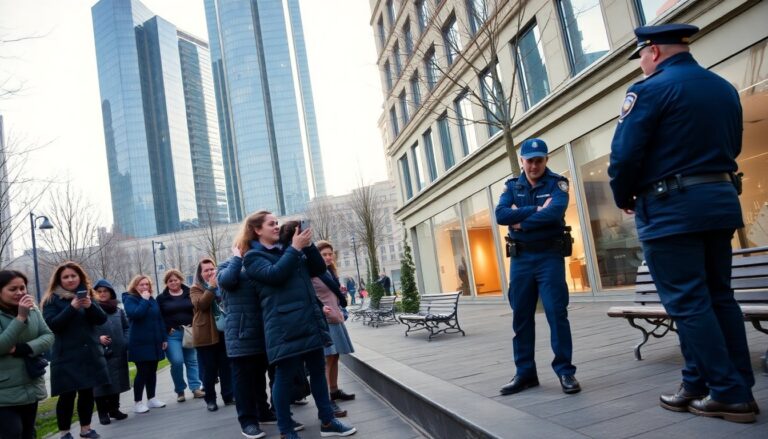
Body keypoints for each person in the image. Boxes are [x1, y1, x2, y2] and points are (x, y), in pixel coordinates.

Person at [608, 23, 756, 423]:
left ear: (653, 51)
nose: (639, 63)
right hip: (719, 202)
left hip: (672, 209)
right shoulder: (722, 87)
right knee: (718, 297)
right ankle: (701, 382)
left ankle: (728, 393)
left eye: (639, 55)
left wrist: (624, 197)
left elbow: (624, 156)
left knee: (688, 302)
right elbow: (734, 145)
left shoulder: (651, 89)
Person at [242, 211, 356, 439]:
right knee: (284, 378)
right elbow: (275, 275)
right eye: (271, 224)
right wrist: (295, 248)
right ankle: (286, 430)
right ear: (257, 230)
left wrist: (308, 243)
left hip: (309, 320)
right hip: (283, 326)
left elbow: (317, 269)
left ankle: (327, 421)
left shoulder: (290, 249)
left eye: (277, 223)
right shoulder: (253, 257)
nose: (276, 227)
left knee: (317, 371)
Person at [494, 138, 580, 397]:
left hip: (549, 256)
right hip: (521, 260)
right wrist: (533, 210)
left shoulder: (557, 184)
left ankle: (565, 371)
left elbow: (554, 213)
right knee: (521, 316)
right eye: (529, 160)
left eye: (539, 160)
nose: (534, 165)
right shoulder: (512, 186)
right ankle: (525, 373)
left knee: (557, 314)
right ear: (522, 161)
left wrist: (521, 221)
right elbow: (500, 215)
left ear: (546, 159)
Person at [218, 241, 292, 439]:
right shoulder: (226, 266)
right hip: (241, 334)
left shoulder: (260, 262)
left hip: (266, 330)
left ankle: (266, 412)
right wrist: (236, 258)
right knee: (244, 381)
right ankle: (248, 422)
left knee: (264, 376)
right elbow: (227, 281)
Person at [42, 261, 110, 439]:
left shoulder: (88, 295)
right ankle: (64, 432)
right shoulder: (51, 300)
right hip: (66, 355)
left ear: (80, 276)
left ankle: (86, 429)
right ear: (59, 280)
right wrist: (72, 308)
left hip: (89, 354)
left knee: (87, 393)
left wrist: (89, 306)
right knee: (67, 396)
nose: (70, 279)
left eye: (73, 275)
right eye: (66, 277)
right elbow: (53, 325)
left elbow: (101, 320)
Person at [0, 270, 54, 439]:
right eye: (12, 289)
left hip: (30, 383)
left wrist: (23, 349)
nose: (20, 293)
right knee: (12, 433)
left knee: (28, 432)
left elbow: (48, 336)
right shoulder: (24, 312)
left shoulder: (32, 309)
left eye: (22, 288)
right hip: (4, 390)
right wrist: (20, 317)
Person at [311, 239, 355, 417]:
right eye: (324, 254)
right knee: (327, 358)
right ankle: (327, 399)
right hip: (324, 320)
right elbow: (310, 297)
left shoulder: (329, 272)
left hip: (335, 318)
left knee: (335, 356)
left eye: (330, 254)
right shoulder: (312, 273)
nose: (328, 257)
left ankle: (334, 390)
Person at [190, 258, 234, 412]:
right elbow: (201, 304)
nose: (210, 272)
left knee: (226, 367)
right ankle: (210, 399)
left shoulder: (223, 284)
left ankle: (229, 396)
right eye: (206, 270)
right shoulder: (195, 288)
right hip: (205, 335)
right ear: (200, 274)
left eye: (212, 269)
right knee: (209, 370)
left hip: (224, 332)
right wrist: (211, 287)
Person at [122, 275, 168, 414]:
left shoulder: (152, 299)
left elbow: (159, 319)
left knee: (152, 371)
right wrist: (144, 300)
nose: (144, 287)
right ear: (135, 286)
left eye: (146, 284)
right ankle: (137, 402)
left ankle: (152, 398)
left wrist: (164, 338)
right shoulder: (130, 299)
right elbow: (136, 314)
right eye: (141, 285)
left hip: (154, 341)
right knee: (142, 372)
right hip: (139, 343)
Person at [157, 269, 204, 403]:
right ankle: (180, 390)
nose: (173, 282)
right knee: (177, 362)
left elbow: (197, 309)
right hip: (172, 335)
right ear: (166, 283)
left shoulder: (190, 292)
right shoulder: (161, 298)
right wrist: (166, 329)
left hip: (189, 332)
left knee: (192, 361)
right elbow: (158, 317)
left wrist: (196, 325)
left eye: (175, 279)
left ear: (180, 280)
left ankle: (195, 388)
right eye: (170, 280)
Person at [92, 279, 130, 425]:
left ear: (111, 293)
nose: (102, 294)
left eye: (105, 291)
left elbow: (126, 328)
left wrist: (125, 341)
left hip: (118, 352)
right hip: (99, 353)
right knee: (101, 384)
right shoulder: (91, 310)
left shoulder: (118, 310)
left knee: (117, 381)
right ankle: (102, 412)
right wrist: (98, 339)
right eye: (99, 292)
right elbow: (86, 331)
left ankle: (114, 409)